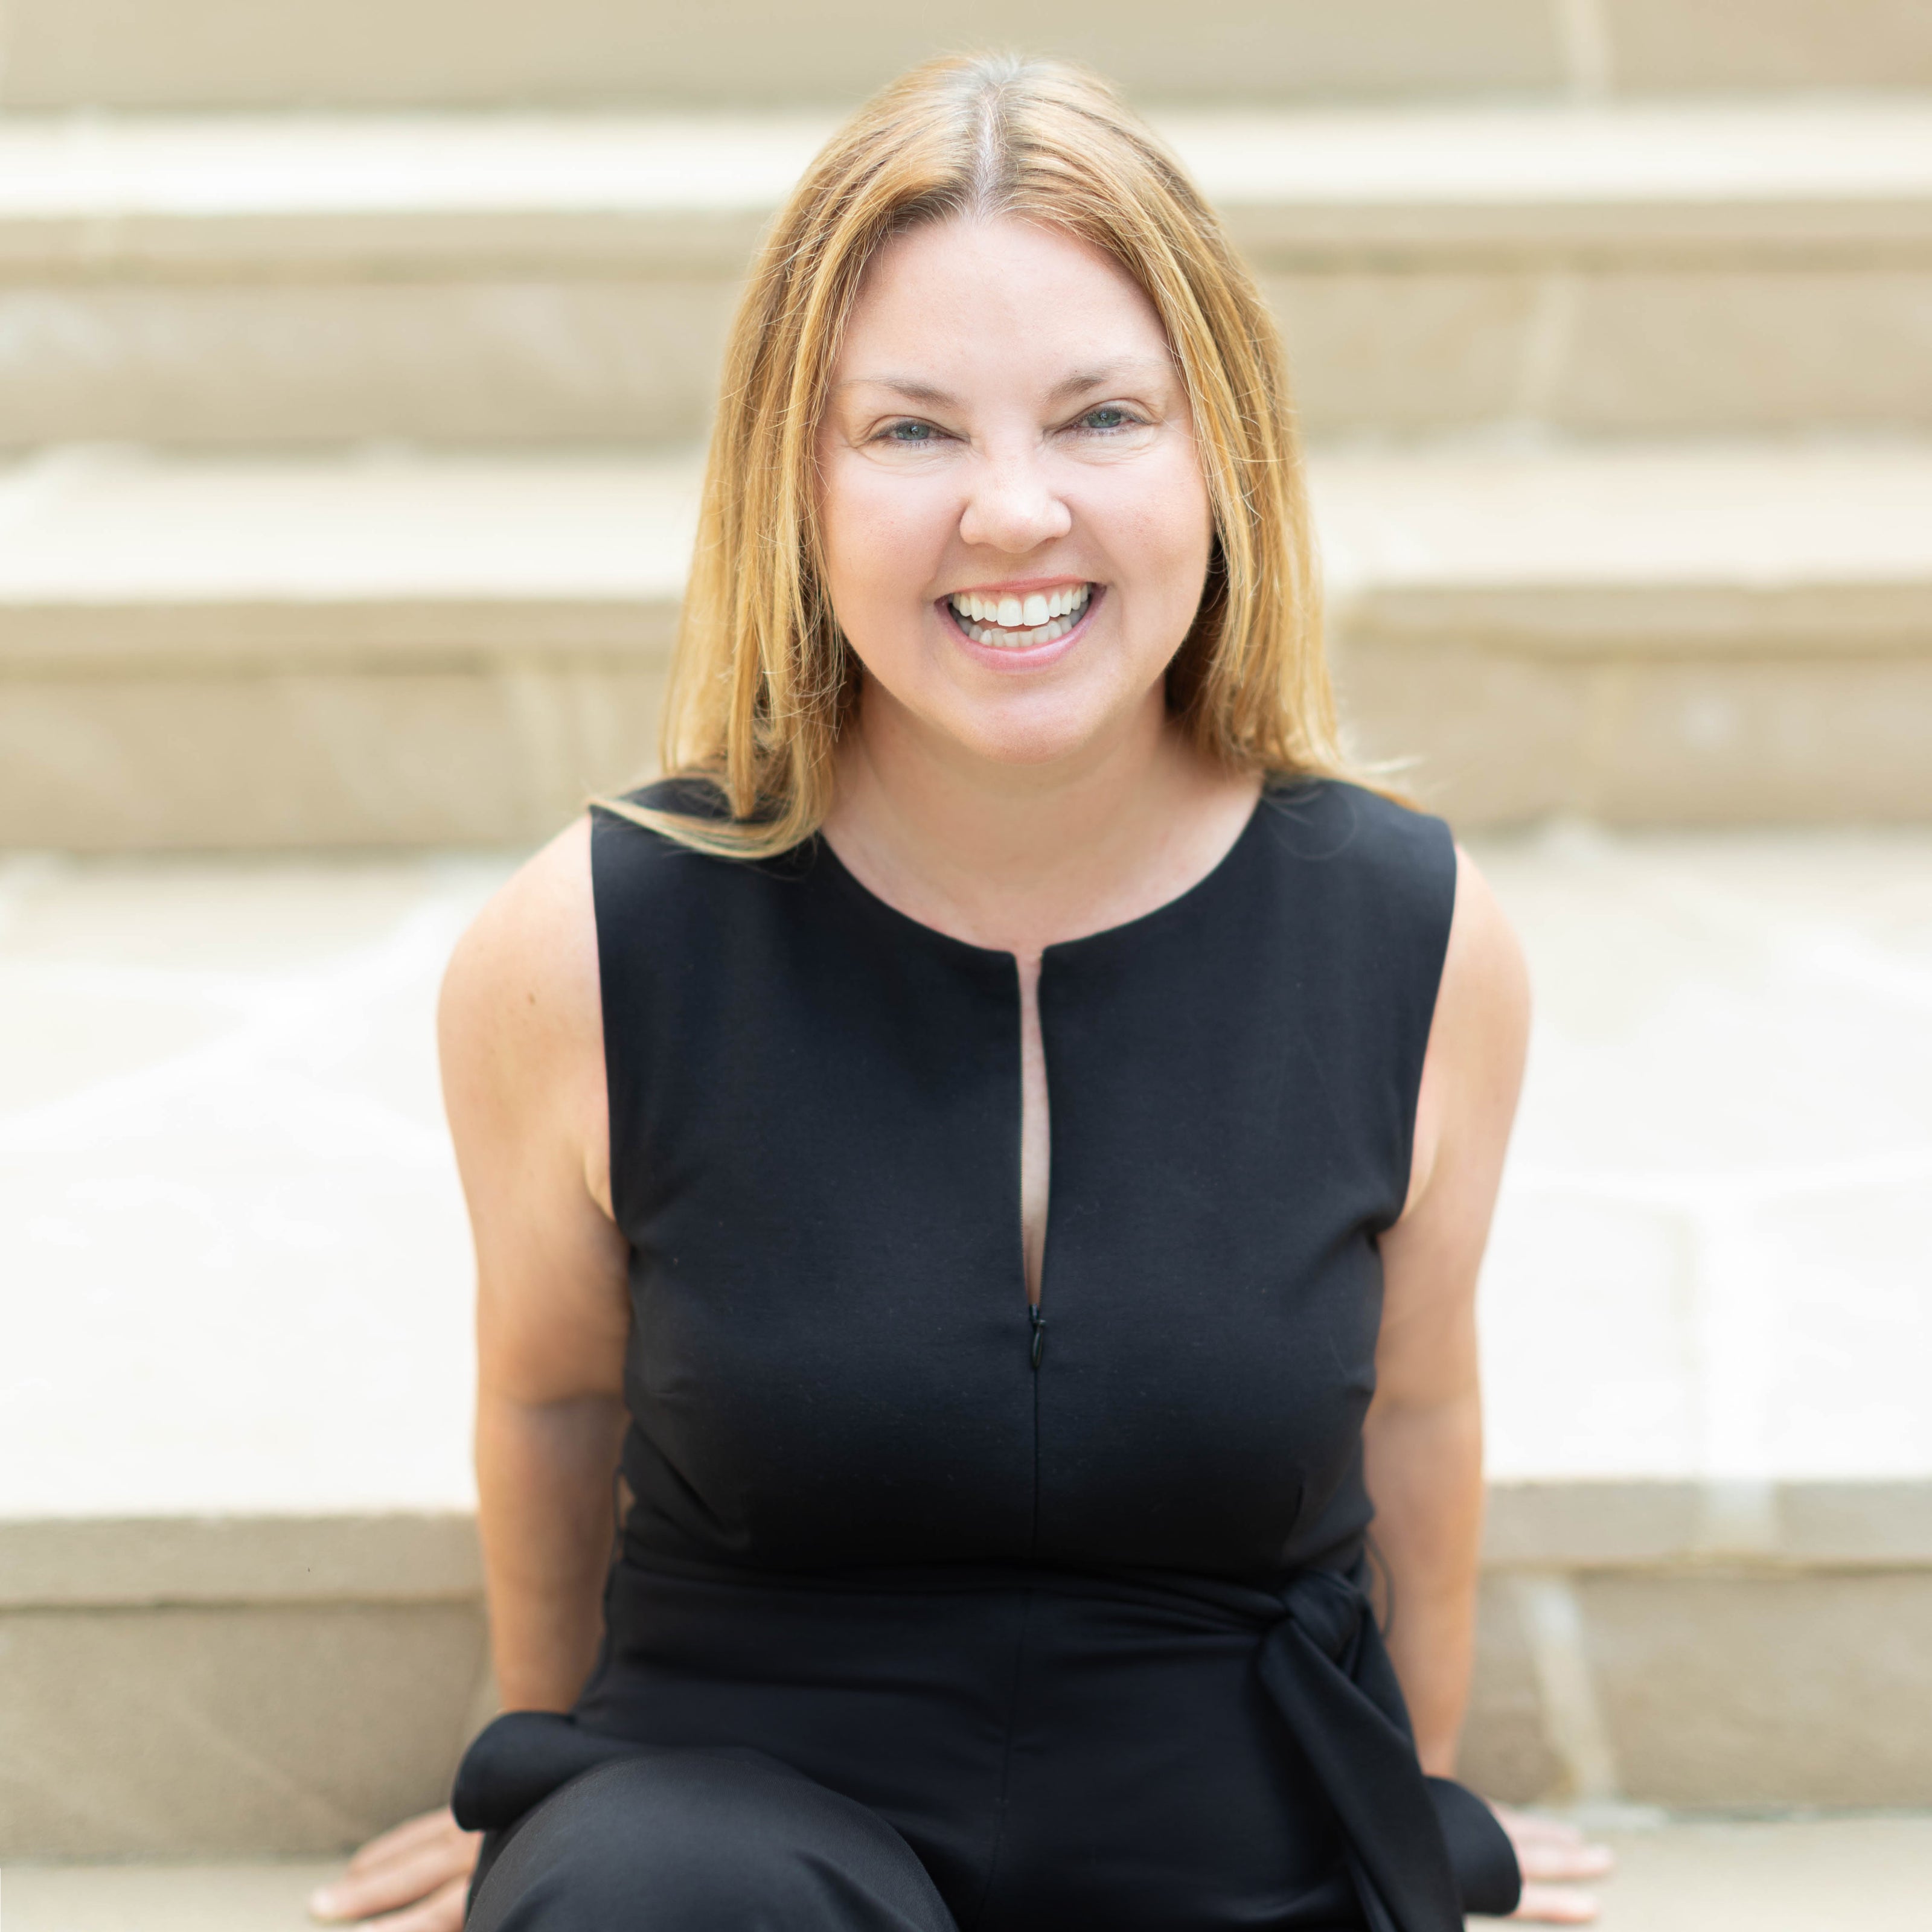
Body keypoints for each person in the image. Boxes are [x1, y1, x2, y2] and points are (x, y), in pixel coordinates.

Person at [309, 52, 1614, 1931]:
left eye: (1100, 417)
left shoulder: (1417, 938)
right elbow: (551, 1401)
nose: (1014, 513)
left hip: (1227, 1824)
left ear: (1217, 452)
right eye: (913, 432)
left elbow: (1415, 1415)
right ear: (799, 476)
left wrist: (1410, 1793)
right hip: (742, 1810)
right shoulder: (586, 948)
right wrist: (547, 1778)